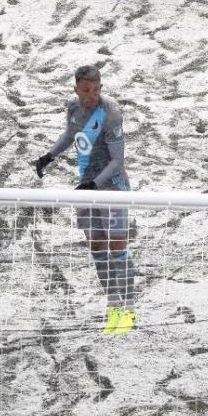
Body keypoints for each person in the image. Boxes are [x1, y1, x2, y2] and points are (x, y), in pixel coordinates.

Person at [34, 65, 137, 335]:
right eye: (86, 90)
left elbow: (117, 161)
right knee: (98, 249)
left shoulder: (111, 113)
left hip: (111, 188)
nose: (92, 95)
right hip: (87, 190)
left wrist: (94, 184)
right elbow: (70, 135)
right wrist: (49, 156)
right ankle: (113, 307)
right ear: (76, 89)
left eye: (97, 89)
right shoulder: (73, 109)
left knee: (117, 248)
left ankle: (129, 309)